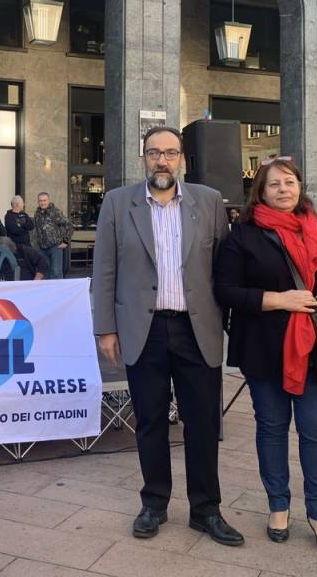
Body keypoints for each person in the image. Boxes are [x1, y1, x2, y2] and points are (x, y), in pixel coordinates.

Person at [91, 126, 243, 547]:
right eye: (154, 153)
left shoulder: (209, 201)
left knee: (203, 422)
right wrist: (105, 327)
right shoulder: (118, 203)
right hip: (144, 329)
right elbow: (104, 270)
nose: (163, 160)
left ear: (182, 160)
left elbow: (224, 269)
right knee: (151, 421)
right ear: (143, 158)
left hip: (198, 329)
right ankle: (154, 502)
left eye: (170, 153)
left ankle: (205, 509)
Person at [214, 157, 317, 555]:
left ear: (300, 186)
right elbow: (225, 290)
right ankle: (278, 506)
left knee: (316, 431)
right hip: (263, 350)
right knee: (272, 429)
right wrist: (279, 300)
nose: (282, 189)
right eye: (273, 184)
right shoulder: (243, 234)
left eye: (289, 182)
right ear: (261, 190)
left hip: (316, 351)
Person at [34, 192, 73, 279]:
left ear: (48, 200)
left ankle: (59, 291)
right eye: (40, 201)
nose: (42, 203)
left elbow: (69, 225)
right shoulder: (37, 214)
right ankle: (48, 292)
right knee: (45, 272)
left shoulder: (55, 212)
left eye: (44, 200)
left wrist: (66, 241)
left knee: (56, 272)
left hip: (55, 247)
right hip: (42, 249)